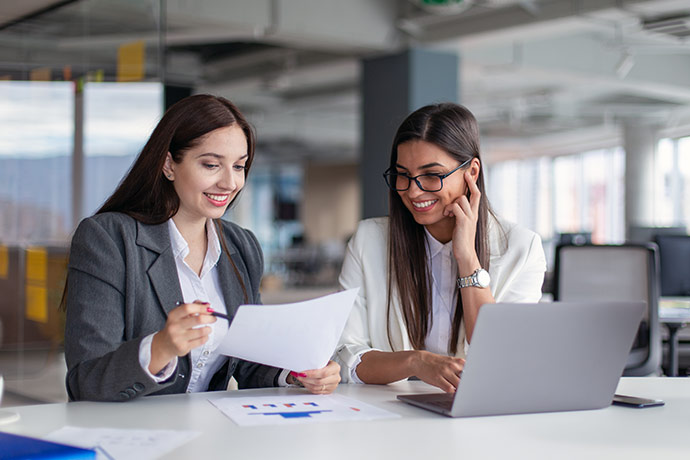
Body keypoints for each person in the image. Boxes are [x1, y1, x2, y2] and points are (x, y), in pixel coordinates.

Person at [63, 94, 340, 402]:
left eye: (239, 166)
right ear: (169, 164)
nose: (229, 182)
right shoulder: (109, 239)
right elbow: (84, 380)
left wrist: (296, 373)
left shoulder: (241, 245)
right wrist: (160, 348)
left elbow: (247, 362)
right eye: (211, 165)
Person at [334, 103, 546, 393]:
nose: (413, 191)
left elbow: (501, 357)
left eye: (432, 175)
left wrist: (467, 257)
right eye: (402, 175)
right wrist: (415, 362)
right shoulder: (369, 240)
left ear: (471, 171)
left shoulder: (521, 249)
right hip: (387, 416)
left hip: (480, 414)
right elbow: (345, 356)